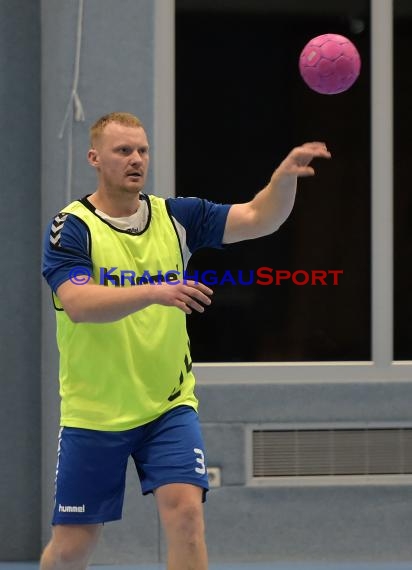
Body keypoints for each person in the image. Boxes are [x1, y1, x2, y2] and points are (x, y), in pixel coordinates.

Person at [41, 111, 331, 570]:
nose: (136, 159)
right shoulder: (72, 227)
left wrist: (283, 180)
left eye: (142, 150)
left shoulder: (177, 216)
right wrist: (156, 290)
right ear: (95, 158)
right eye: (123, 151)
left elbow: (259, 217)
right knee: (71, 549)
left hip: (168, 405)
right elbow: (77, 302)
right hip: (95, 411)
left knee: (187, 519)